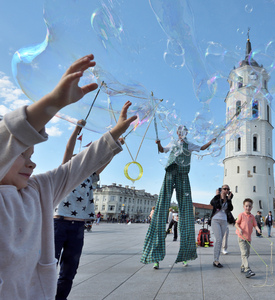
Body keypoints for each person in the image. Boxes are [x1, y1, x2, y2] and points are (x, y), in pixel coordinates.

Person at [0, 54, 136, 299]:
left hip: (75, 230)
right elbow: (9, 139)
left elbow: (84, 164)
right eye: (23, 153)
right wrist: (53, 102)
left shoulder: (37, 190)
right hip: (60, 221)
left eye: (32, 155)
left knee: (69, 271)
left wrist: (114, 134)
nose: (32, 163)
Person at [53, 120, 116, 300]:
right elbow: (68, 149)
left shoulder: (91, 176)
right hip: (58, 224)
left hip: (78, 228)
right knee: (50, 265)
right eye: (75, 157)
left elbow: (104, 161)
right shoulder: (66, 172)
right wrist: (76, 130)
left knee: (70, 270)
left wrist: (114, 147)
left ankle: (60, 298)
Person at [141, 125, 215, 269]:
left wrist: (211, 142)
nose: (181, 133)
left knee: (186, 212)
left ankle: (185, 255)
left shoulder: (189, 144)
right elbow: (162, 151)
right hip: (170, 172)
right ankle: (155, 257)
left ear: (186, 133)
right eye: (179, 132)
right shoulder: (173, 143)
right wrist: (159, 144)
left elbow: (202, 148)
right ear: (177, 133)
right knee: (161, 208)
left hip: (183, 175)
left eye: (184, 132)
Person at [235, 198, 261, 278]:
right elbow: (236, 224)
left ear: (252, 207)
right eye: (246, 206)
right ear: (243, 206)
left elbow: (255, 224)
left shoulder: (252, 217)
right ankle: (247, 269)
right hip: (241, 237)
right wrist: (239, 229)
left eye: (249, 206)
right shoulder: (241, 215)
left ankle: (243, 266)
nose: (248, 208)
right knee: (244, 253)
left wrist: (258, 229)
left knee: (247, 253)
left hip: (248, 238)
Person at [209, 184, 234, 268]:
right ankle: (216, 260)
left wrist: (229, 199)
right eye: (224, 189)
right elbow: (213, 204)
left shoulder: (228, 199)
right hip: (215, 220)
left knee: (220, 240)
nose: (226, 190)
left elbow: (230, 208)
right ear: (221, 189)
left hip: (224, 221)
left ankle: (216, 258)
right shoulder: (217, 197)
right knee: (219, 239)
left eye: (227, 189)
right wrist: (218, 197)